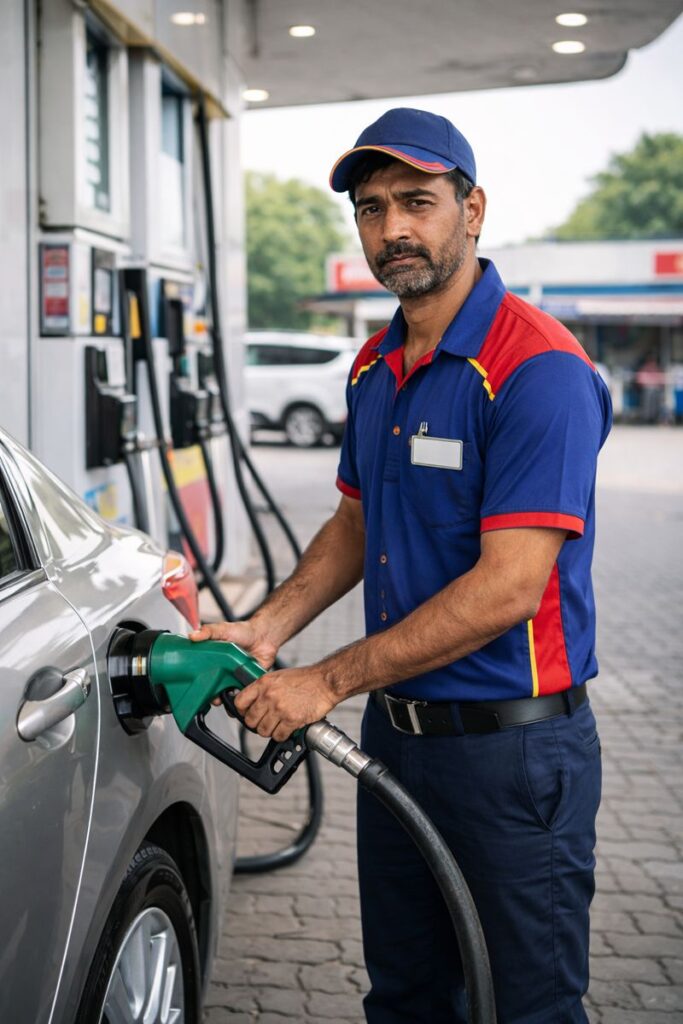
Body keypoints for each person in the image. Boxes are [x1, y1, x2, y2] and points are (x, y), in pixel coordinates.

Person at [192, 107, 612, 1023]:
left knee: (525, 1005)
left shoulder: (537, 368)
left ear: (473, 210)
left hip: (512, 755)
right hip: (397, 740)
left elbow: (508, 588)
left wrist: (325, 680)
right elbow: (354, 521)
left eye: (417, 202)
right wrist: (266, 630)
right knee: (409, 996)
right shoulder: (375, 362)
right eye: (372, 208)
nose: (393, 229)